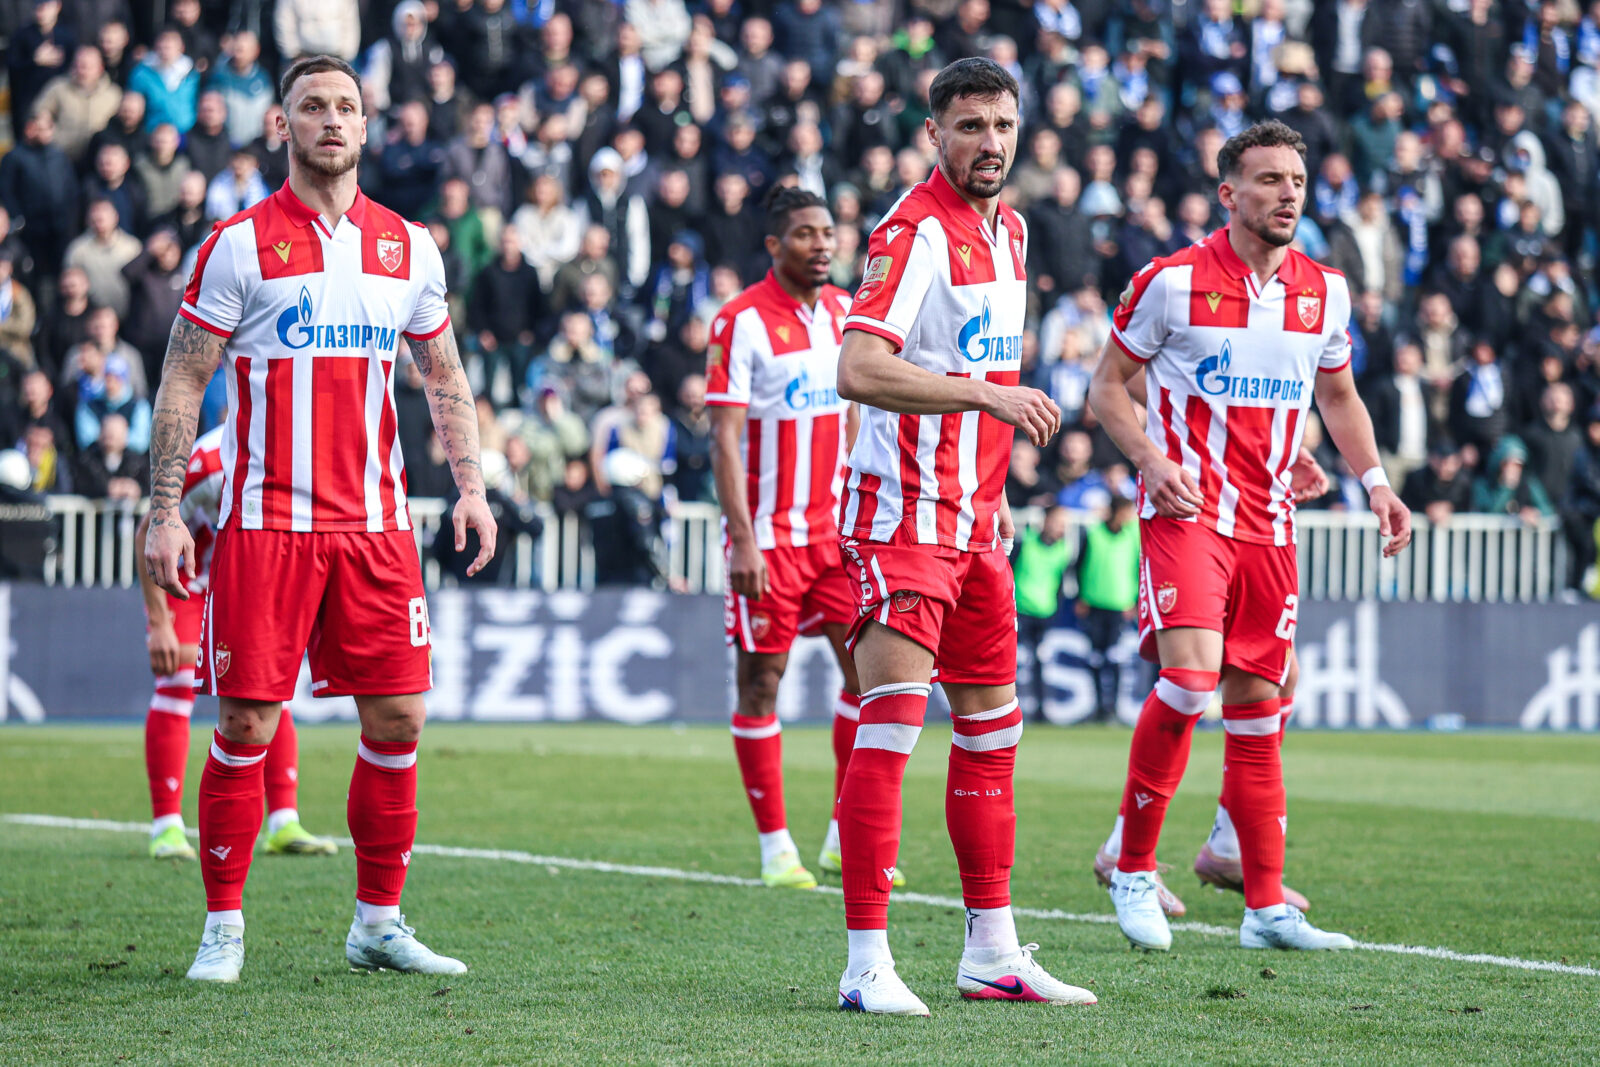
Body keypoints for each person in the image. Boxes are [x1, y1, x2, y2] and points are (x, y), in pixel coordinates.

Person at [143, 55, 496, 984]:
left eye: (346, 105)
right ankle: (223, 929)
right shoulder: (239, 244)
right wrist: (167, 506)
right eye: (312, 106)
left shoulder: (409, 245)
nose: (331, 119)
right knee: (249, 726)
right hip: (267, 526)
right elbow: (184, 375)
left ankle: (377, 922)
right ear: (282, 126)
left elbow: (444, 376)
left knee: (400, 717)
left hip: (377, 528)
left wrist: (472, 485)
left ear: (367, 126)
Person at [1086, 119, 1411, 954]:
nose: (1286, 193)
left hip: (1271, 524)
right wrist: (1151, 460)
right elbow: (1107, 389)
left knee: (1260, 709)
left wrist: (1373, 481)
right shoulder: (1170, 282)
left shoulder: (1325, 291)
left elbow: (1335, 396)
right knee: (1190, 683)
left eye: (1295, 180)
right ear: (1228, 194)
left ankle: (1265, 906)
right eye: (1267, 180)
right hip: (1189, 513)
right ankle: (1132, 867)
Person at [831, 58, 1092, 1015]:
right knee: (893, 724)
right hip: (899, 517)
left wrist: (997, 489)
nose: (991, 143)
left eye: (1004, 125)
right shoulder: (913, 231)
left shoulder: (1012, 230)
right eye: (971, 125)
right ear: (933, 134)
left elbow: (979, 357)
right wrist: (986, 394)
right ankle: (866, 963)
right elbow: (859, 365)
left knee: (990, 734)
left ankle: (992, 951)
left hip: (976, 521)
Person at [706, 185, 876, 891]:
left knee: (867, 677)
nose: (823, 244)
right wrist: (742, 540)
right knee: (762, 682)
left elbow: (861, 416)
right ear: (776, 245)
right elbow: (723, 438)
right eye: (806, 233)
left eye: (829, 231)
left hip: (836, 535)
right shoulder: (740, 321)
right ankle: (777, 847)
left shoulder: (846, 314)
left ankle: (843, 834)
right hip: (769, 538)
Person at [134, 427, 337, 861]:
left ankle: (284, 821)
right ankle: (166, 826)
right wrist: (159, 623)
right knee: (176, 680)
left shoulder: (301, 451)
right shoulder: (208, 460)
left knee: (269, 690)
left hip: (249, 582)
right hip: (191, 581)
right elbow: (148, 530)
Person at [1075, 495, 1140, 723]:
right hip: (1094, 605)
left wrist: (1133, 601)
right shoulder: (1093, 534)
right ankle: (1097, 706)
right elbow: (1079, 565)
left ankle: (1112, 708)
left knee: (1115, 658)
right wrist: (1081, 597)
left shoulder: (1132, 537)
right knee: (1095, 657)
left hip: (1119, 606)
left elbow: (1136, 569)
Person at [1010, 504, 1072, 722]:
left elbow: (1059, 583)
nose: (1060, 528)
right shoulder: (1024, 543)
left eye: (1063, 524)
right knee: (1013, 662)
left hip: (1045, 613)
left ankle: (1040, 710)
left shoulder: (1062, 550)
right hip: (1020, 612)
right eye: (1056, 522)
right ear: (1045, 521)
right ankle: (1007, 708)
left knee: (1040, 663)